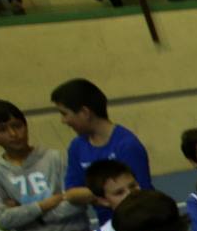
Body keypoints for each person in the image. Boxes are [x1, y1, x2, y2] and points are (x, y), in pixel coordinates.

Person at [0, 98, 89, 231]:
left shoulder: (56, 158)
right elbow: (3, 219)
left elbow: (76, 204)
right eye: (2, 130)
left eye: (17, 126)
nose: (13, 134)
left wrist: (26, 215)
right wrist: (44, 205)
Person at [51, 78, 152, 223]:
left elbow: (141, 194)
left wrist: (93, 195)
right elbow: (72, 194)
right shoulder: (77, 146)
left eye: (65, 114)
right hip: (108, 226)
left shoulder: (126, 145)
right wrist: (110, 192)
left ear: (85, 112)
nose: (63, 121)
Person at [82, 160, 141, 231]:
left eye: (133, 186)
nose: (131, 194)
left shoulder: (166, 219)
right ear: (103, 200)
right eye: (119, 192)